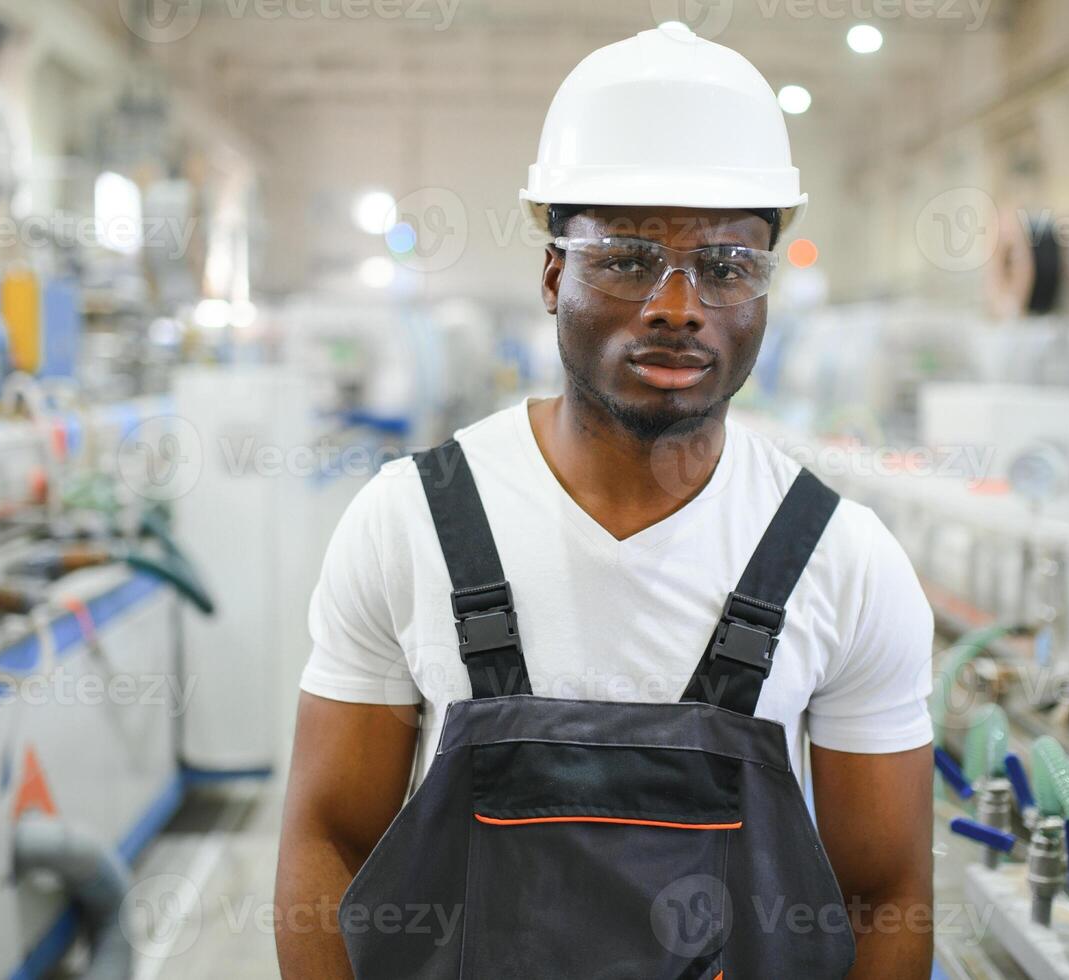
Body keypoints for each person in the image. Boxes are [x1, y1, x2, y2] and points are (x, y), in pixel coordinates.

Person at [276, 23, 934, 979]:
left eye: (726, 266)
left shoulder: (842, 560)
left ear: (764, 291)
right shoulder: (410, 523)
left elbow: (887, 898)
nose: (677, 303)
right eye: (626, 258)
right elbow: (326, 841)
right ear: (554, 275)